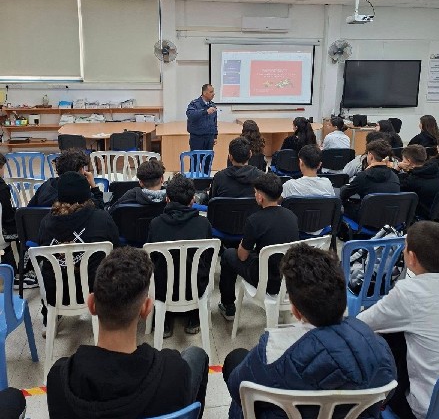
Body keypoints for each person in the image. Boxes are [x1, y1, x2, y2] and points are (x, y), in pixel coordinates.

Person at [224, 243, 396, 419]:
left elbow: (237, 389)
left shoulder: (271, 349)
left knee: (235, 358)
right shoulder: (379, 347)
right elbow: (387, 394)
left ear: (295, 310)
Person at [46, 247, 209, 419]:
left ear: (91, 304)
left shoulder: (58, 380)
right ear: (146, 309)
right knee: (196, 354)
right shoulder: (175, 371)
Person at [358, 221, 439, 419]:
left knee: (384, 337)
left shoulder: (410, 292)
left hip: (429, 410)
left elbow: (361, 324)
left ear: (412, 257)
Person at [38, 171, 119, 330]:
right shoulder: (102, 218)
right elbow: (116, 249)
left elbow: (42, 252)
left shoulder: (46, 222)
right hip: (96, 292)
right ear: (87, 194)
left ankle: (49, 319)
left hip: (55, 294)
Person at [218, 172, 298, 321]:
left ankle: (228, 306)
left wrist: (243, 242)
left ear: (260, 197)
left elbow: (242, 256)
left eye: (255, 192)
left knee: (228, 255)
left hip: (266, 282)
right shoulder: (292, 216)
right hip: (288, 279)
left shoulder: (254, 220)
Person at [147, 173, 212, 337]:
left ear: (167, 199)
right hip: (195, 288)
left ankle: (163, 318)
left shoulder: (155, 224)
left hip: (162, 289)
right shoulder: (203, 224)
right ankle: (194, 316)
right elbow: (208, 258)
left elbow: (152, 259)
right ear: (193, 200)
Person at [340, 139, 400, 220]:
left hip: (367, 219)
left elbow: (344, 194)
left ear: (370, 155)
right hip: (389, 218)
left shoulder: (364, 176)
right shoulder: (394, 176)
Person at [28, 148, 104, 209]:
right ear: (81, 171)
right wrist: (94, 187)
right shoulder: (82, 192)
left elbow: (29, 209)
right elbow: (100, 208)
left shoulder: (47, 185)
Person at [391, 144, 439, 219]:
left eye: (403, 160)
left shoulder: (412, 181)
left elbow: (392, 183)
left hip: (421, 220)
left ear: (408, 161)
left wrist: (397, 168)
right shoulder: (437, 173)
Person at [186, 83, 218, 158]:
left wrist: (215, 136)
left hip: (209, 139)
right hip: (197, 139)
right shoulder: (194, 104)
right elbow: (190, 115)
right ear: (204, 93)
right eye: (211, 92)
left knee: (208, 162)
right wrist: (205, 112)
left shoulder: (212, 105)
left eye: (213, 92)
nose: (213, 94)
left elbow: (214, 122)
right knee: (195, 162)